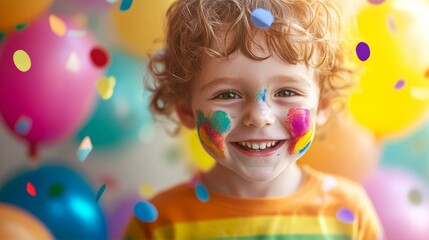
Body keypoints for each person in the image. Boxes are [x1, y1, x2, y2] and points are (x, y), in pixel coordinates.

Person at [124, 0, 384, 239]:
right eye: (227, 94)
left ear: (323, 104)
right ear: (186, 110)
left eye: (287, 92)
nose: (259, 117)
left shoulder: (350, 214)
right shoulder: (158, 223)